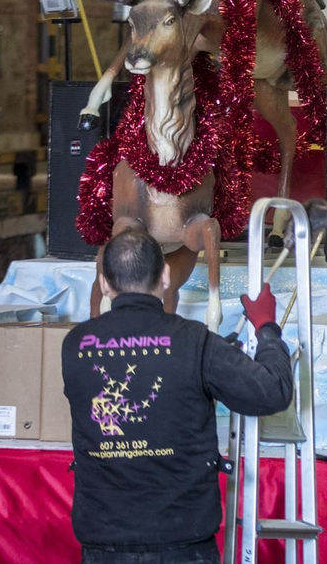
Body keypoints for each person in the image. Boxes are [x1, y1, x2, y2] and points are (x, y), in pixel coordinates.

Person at [63, 226, 293, 564]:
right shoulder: (194, 342)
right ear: (167, 277)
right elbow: (272, 392)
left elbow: (147, 370)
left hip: (103, 542)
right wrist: (267, 329)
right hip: (182, 542)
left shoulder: (74, 346)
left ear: (104, 284)